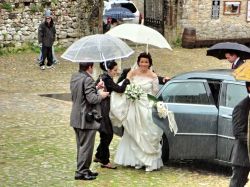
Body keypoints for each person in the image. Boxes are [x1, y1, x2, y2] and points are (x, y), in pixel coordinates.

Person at [110, 52, 164, 172]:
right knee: (133, 132)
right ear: (138, 62)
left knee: (147, 131)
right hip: (134, 106)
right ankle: (137, 161)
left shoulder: (153, 76)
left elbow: (155, 93)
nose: (144, 64)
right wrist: (130, 92)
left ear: (150, 63)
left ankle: (148, 161)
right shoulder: (132, 73)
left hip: (146, 106)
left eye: (146, 62)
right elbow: (125, 86)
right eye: (142, 61)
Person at [70, 62, 109, 180]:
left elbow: (82, 94)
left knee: (81, 146)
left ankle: (84, 169)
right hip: (86, 118)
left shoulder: (75, 77)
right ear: (89, 67)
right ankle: (82, 171)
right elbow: (92, 99)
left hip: (76, 116)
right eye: (92, 67)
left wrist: (96, 88)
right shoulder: (87, 79)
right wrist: (102, 95)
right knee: (86, 147)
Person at [94, 60, 130, 169]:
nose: (116, 71)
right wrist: (126, 81)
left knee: (106, 134)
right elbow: (119, 89)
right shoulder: (106, 79)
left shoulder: (104, 77)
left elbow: (113, 86)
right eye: (114, 70)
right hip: (103, 109)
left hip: (103, 108)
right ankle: (105, 161)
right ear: (108, 70)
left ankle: (99, 155)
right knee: (107, 134)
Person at [229, 81, 250, 187]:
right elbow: (238, 132)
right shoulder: (241, 106)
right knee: (237, 184)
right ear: (249, 87)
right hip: (242, 157)